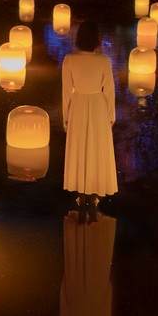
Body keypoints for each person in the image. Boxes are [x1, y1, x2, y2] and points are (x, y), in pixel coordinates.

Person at [60, 19, 118, 207]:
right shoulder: (103, 61)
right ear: (97, 39)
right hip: (98, 106)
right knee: (96, 146)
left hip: (77, 105)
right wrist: (111, 115)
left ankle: (80, 189)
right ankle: (94, 190)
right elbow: (109, 90)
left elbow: (66, 91)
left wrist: (65, 117)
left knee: (79, 145)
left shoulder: (69, 59)